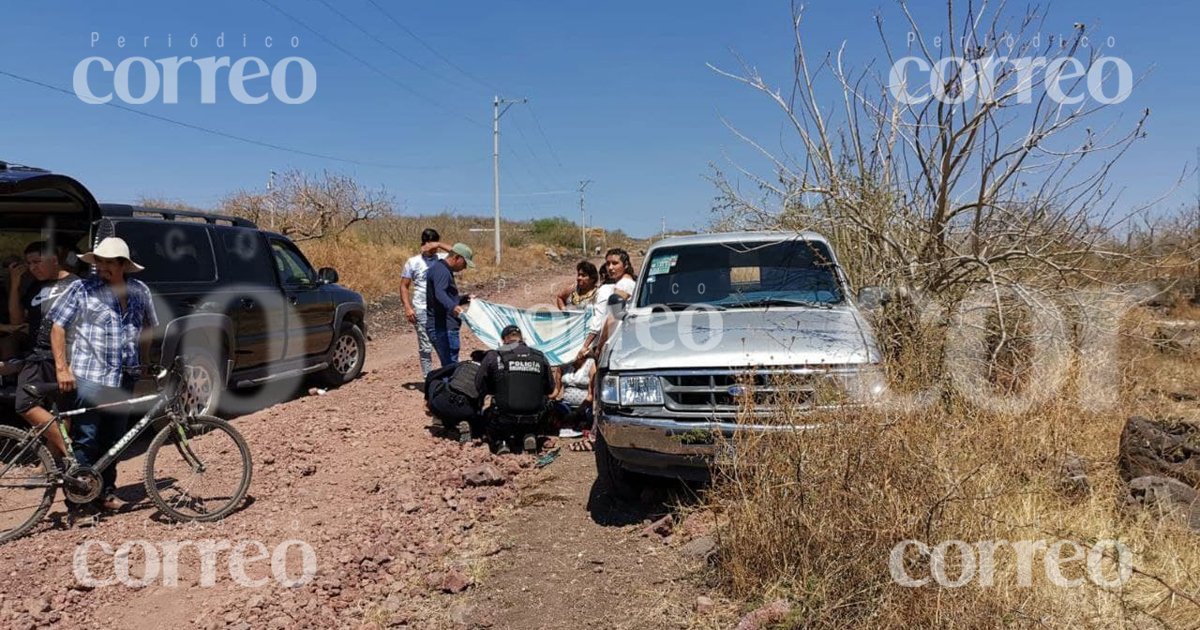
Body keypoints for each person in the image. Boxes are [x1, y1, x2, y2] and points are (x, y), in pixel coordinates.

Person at [47, 237, 158, 524]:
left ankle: (106, 493)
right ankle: (79, 502)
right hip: (90, 377)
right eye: (99, 262)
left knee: (116, 439)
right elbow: (58, 327)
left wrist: (143, 362)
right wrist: (62, 368)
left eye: (109, 262)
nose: (102, 267)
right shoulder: (82, 289)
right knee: (87, 439)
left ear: (123, 266)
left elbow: (147, 328)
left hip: (124, 378)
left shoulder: (139, 290)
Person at [13, 242, 80, 457]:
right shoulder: (34, 286)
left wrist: (68, 365)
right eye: (29, 263)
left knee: (62, 411)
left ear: (54, 260)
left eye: (37, 262)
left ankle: (54, 464)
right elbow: (16, 319)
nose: (33, 267)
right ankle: (70, 453)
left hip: (63, 356)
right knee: (24, 403)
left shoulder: (76, 285)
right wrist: (15, 284)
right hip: (36, 356)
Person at [475, 325, 553, 454]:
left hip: (504, 415)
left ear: (504, 340)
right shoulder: (539, 356)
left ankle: (502, 442)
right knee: (548, 405)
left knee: (489, 413)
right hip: (534, 416)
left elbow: (479, 385)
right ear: (521, 339)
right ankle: (529, 434)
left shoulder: (494, 355)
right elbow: (550, 388)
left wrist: (495, 389)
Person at [400, 228, 448, 377]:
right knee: (425, 347)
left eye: (434, 247)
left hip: (441, 308)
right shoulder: (413, 262)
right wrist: (408, 308)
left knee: (443, 343)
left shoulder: (443, 258)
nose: (432, 251)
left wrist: (439, 245)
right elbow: (404, 286)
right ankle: (428, 379)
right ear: (423, 244)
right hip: (421, 309)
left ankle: (447, 375)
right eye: (429, 246)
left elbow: (460, 253)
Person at [426, 242, 475, 367]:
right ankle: (447, 386)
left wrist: (465, 299)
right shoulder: (441, 271)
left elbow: (446, 296)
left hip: (445, 326)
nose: (464, 268)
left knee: (450, 364)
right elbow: (440, 293)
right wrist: (453, 307)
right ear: (457, 257)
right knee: (450, 366)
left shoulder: (442, 270)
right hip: (443, 327)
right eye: (464, 264)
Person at [424, 350, 487, 442]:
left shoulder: (463, 364)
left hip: (441, 404)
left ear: (472, 358)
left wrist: (426, 398)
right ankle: (466, 424)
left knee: (435, 381)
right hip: (465, 411)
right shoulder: (486, 373)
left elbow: (431, 374)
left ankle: (440, 418)